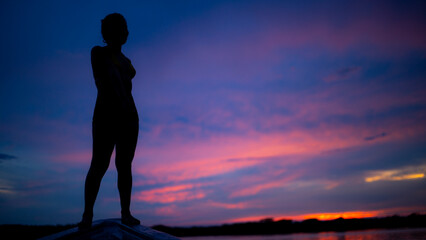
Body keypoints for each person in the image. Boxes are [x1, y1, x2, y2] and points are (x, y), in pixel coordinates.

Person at [79, 13, 140, 229]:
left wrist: (127, 115)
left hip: (129, 118)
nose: (125, 32)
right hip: (106, 116)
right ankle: (87, 215)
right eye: (120, 28)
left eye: (125, 28)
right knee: (99, 165)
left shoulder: (127, 62)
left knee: (124, 166)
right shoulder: (99, 53)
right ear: (108, 33)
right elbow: (104, 82)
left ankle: (126, 213)